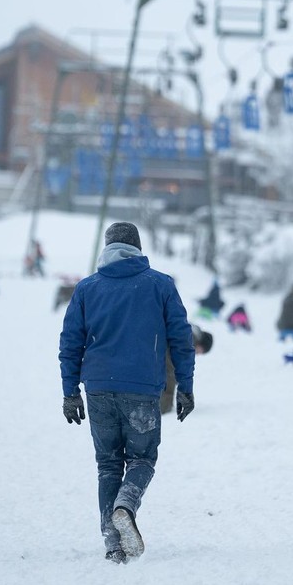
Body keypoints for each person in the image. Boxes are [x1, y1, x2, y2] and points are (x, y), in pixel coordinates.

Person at [59, 222, 196, 564]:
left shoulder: (88, 288)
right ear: (137, 247)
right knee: (142, 459)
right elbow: (182, 340)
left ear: (107, 248)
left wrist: (69, 392)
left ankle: (113, 543)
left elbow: (70, 343)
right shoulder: (160, 285)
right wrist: (185, 387)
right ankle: (126, 505)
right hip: (142, 391)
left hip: (99, 389)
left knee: (108, 465)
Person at [160, 324, 213, 415]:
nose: (198, 354)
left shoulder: (186, 330)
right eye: (201, 351)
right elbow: (170, 371)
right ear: (201, 344)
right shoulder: (190, 340)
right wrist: (165, 407)